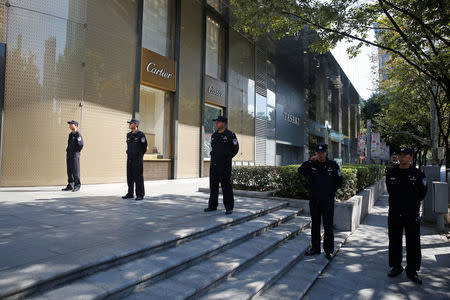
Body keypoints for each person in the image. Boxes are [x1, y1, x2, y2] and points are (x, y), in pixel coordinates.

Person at [385, 147, 427, 284]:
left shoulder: (418, 173)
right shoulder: (391, 172)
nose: (402, 157)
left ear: (411, 157)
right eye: (400, 155)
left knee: (413, 241)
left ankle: (412, 270)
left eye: (405, 155)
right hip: (395, 212)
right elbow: (390, 189)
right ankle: (396, 267)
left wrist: (412, 204)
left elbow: (422, 192)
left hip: (411, 212)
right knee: (394, 239)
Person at [298, 144, 343, 260]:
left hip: (327, 201)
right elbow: (300, 171)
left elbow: (339, 181)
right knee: (315, 225)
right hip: (314, 201)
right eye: (318, 153)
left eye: (322, 152)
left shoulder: (333, 165)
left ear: (326, 153)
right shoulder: (311, 165)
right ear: (315, 154)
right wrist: (309, 161)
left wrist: (330, 193)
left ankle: (328, 250)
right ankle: (315, 248)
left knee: (328, 225)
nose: (320, 154)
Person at [204, 116, 239, 215]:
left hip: (225, 166)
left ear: (223, 123)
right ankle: (212, 206)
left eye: (218, 122)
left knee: (226, 186)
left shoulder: (230, 135)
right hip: (214, 165)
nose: (216, 124)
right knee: (213, 186)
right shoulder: (214, 135)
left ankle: (229, 208)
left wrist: (227, 158)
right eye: (216, 122)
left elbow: (235, 149)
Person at [122, 119, 147, 201]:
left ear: (136, 124)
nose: (129, 124)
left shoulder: (141, 134)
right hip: (130, 159)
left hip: (137, 160)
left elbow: (144, 147)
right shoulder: (128, 135)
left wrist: (139, 156)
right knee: (130, 177)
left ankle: (140, 194)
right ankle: (130, 193)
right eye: (129, 123)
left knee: (138, 177)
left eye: (131, 123)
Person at [62, 120, 83, 192]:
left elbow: (81, 144)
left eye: (72, 124)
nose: (70, 125)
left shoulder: (78, 135)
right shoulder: (70, 135)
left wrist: (78, 151)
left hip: (75, 154)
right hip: (69, 154)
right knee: (69, 170)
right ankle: (70, 185)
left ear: (76, 125)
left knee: (75, 170)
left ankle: (77, 185)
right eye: (70, 124)